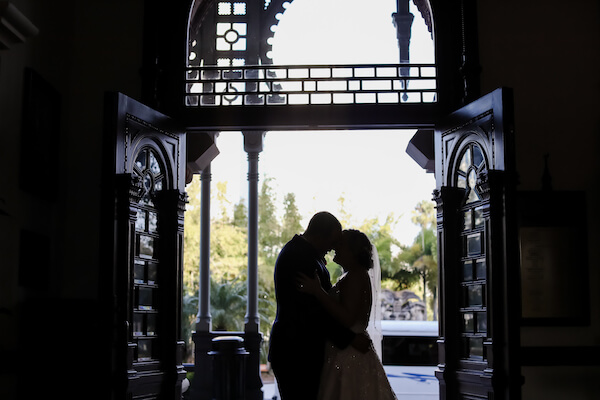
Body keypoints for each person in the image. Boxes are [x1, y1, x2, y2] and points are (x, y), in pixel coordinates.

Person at [268, 212, 370, 400]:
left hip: (304, 351)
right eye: (333, 241)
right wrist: (349, 339)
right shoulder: (298, 257)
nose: (333, 248)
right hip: (296, 352)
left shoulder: (307, 255)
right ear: (320, 235)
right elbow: (311, 310)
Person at [297, 229, 398, 400]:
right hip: (347, 349)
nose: (335, 246)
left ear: (352, 251)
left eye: (340, 243)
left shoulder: (356, 276)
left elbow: (347, 317)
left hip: (349, 354)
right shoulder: (354, 275)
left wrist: (318, 292)